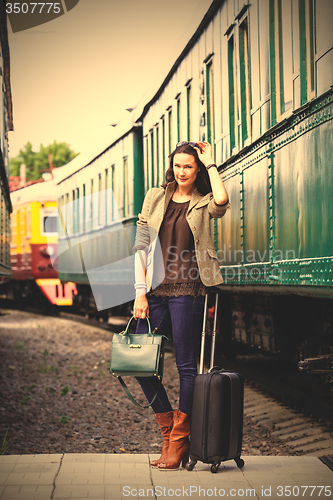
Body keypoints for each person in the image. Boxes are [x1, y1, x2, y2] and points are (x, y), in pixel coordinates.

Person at [132, 141, 229, 469]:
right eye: (177, 165)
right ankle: (168, 430)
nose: (182, 171)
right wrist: (139, 291)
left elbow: (223, 202)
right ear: (171, 167)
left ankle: (179, 441)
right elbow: (141, 246)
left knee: (186, 366)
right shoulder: (155, 197)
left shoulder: (203, 201)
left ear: (197, 169)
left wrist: (212, 164)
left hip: (189, 289)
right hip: (155, 291)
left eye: (189, 166)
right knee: (141, 363)